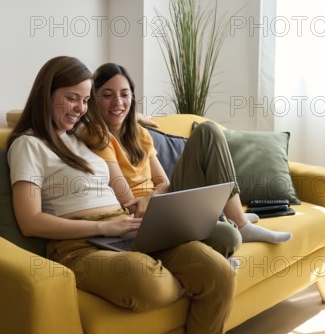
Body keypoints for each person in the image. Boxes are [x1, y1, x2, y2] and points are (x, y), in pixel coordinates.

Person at [7, 56, 236, 334]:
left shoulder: (79, 135)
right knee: (149, 281)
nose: (79, 108)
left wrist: (134, 115)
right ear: (46, 95)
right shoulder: (28, 145)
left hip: (126, 230)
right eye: (71, 98)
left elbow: (114, 116)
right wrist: (104, 226)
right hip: (79, 245)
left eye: (85, 100)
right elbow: (30, 221)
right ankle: (191, 282)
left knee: (218, 272)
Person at [89, 62, 292, 245]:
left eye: (124, 94)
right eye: (107, 95)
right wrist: (151, 199)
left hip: (164, 203)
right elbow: (129, 205)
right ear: (93, 99)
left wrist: (150, 197)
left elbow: (165, 183)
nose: (118, 102)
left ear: (132, 98)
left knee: (208, 130)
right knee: (228, 238)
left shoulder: (140, 134)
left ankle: (239, 221)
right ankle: (230, 220)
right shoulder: (98, 136)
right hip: (142, 220)